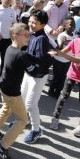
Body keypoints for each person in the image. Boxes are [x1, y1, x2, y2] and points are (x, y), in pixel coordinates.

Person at [0, 23, 38, 159]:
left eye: (29, 35)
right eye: (25, 35)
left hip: (3, 87)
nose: (28, 37)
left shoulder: (10, 48)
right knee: (23, 120)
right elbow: (34, 71)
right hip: (12, 92)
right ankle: (2, 145)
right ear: (14, 36)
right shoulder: (21, 55)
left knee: (6, 108)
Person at [48, 21, 80, 137]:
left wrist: (61, 53)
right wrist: (53, 53)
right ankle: (55, 118)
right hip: (72, 74)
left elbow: (79, 60)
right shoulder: (75, 41)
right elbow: (61, 53)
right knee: (63, 96)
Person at [22, 9, 53, 144]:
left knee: (30, 104)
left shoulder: (41, 38)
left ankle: (36, 130)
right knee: (22, 99)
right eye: (30, 21)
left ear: (43, 24)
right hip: (28, 74)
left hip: (38, 76)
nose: (31, 24)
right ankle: (24, 121)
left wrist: (23, 55)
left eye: (35, 22)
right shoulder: (32, 34)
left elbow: (40, 59)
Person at [0, 0, 17, 78]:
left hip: (7, 40)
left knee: (4, 60)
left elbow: (14, 23)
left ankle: (1, 79)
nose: (8, 0)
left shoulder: (12, 11)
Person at [48, 17, 75, 99]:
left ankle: (58, 92)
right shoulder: (61, 35)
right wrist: (63, 42)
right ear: (65, 25)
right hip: (58, 60)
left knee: (63, 78)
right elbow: (59, 50)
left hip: (67, 61)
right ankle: (51, 90)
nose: (72, 26)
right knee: (57, 77)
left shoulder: (75, 36)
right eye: (70, 24)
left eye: (74, 25)